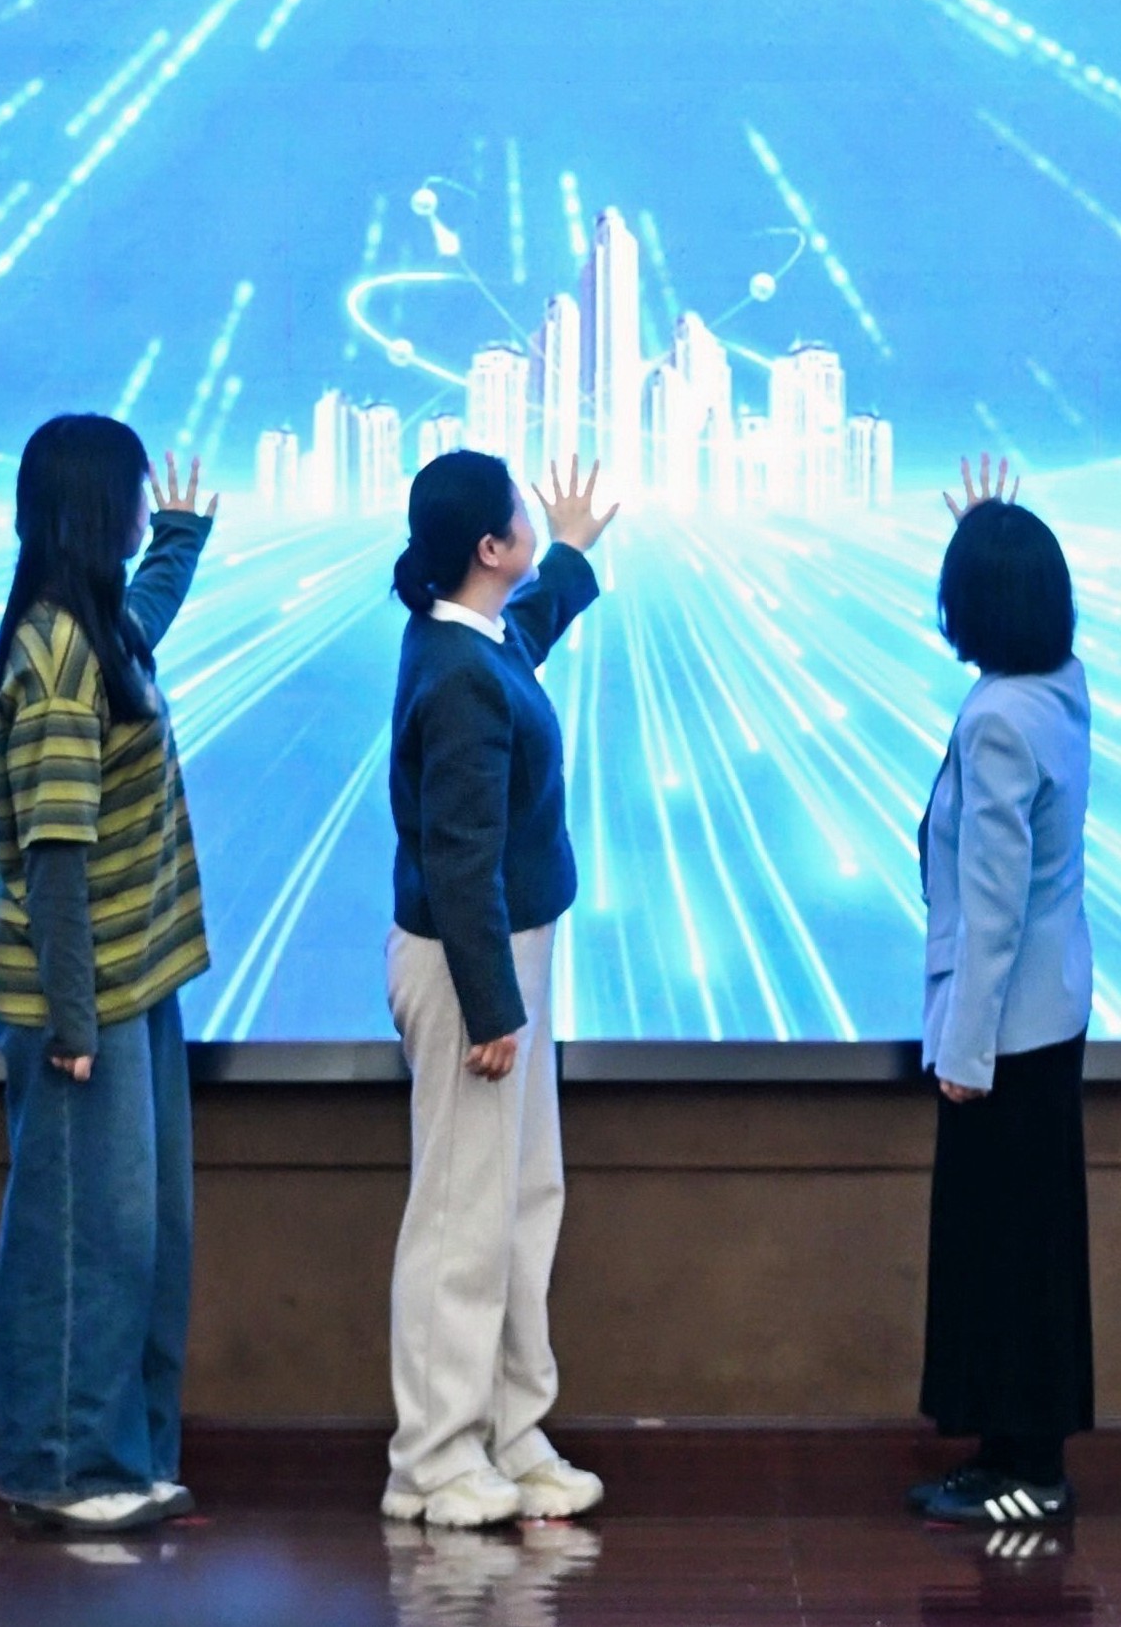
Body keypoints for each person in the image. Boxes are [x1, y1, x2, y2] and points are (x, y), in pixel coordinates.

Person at [0, 415, 219, 1536]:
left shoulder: (97, 627)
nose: (140, 503)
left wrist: (180, 538)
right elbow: (55, 860)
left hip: (135, 983)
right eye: (132, 493)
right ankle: (64, 1468)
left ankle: (127, 1454)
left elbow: (144, 625)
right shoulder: (57, 655)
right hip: (83, 1003)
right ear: (92, 507)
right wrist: (72, 1022)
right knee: (84, 1241)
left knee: (145, 1237)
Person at [382, 450, 615, 1532]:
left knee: (522, 1201)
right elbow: (458, 855)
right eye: (521, 516)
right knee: (461, 1218)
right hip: (470, 966)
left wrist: (570, 553)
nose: (529, 518)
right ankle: (432, 1460)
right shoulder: (456, 671)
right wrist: (491, 1009)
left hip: (510, 954)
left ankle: (510, 1434)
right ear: (488, 547)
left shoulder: (471, 638)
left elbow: (528, 629)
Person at [907, 462, 1097, 1532]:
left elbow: (990, 910)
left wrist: (963, 1052)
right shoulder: (1060, 686)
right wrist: (992, 531)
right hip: (1048, 1016)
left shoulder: (996, 722)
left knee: (1007, 1256)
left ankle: (1027, 1470)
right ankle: (1008, 1457)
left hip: (1004, 1035)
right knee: (1029, 1248)